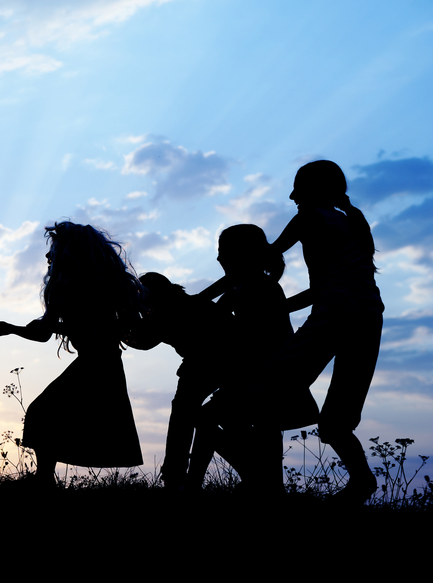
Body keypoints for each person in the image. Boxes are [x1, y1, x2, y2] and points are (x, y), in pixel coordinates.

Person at [0, 221, 145, 487]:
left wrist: (12, 329)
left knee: (43, 412)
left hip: (94, 364)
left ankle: (44, 480)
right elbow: (51, 329)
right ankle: (44, 479)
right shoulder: (105, 284)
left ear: (67, 252)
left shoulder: (63, 289)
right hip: (105, 363)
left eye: (54, 249)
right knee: (54, 414)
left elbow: (42, 333)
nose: (49, 256)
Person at [271, 160, 383, 503]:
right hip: (368, 316)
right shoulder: (351, 222)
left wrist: (203, 298)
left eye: (298, 188)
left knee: (270, 385)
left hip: (336, 312)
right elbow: (328, 287)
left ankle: (264, 484)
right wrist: (281, 307)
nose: (291, 196)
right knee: (335, 423)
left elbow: (259, 259)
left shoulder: (310, 216)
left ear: (315, 190)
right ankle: (362, 481)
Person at [187, 224, 318, 492]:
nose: (219, 258)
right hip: (263, 374)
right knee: (262, 430)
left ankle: (250, 478)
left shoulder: (258, 288)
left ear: (241, 254)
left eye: (223, 251)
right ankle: (263, 483)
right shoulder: (248, 287)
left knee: (210, 418)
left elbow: (264, 342)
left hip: (265, 373)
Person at [126, 272, 230, 491]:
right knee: (196, 417)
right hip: (216, 360)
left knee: (185, 415)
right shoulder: (177, 304)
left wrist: (118, 327)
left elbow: (144, 341)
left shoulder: (167, 312)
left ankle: (177, 478)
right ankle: (187, 480)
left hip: (213, 359)